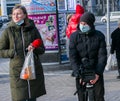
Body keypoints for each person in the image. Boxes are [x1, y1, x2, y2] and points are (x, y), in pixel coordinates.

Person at [0, 5, 46, 101]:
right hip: (17, 71)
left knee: (32, 97)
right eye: (13, 14)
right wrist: (12, 52)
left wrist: (34, 48)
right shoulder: (8, 31)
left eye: (19, 13)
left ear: (25, 15)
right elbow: (1, 51)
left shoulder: (32, 29)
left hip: (32, 68)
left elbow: (42, 49)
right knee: (19, 97)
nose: (16, 16)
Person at [69, 12, 107, 101]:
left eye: (85, 24)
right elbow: (73, 57)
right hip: (81, 70)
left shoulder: (99, 36)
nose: (82, 25)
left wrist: (98, 73)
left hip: (95, 70)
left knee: (99, 96)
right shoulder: (74, 37)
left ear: (90, 24)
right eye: (81, 23)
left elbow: (102, 56)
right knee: (82, 96)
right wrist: (78, 74)